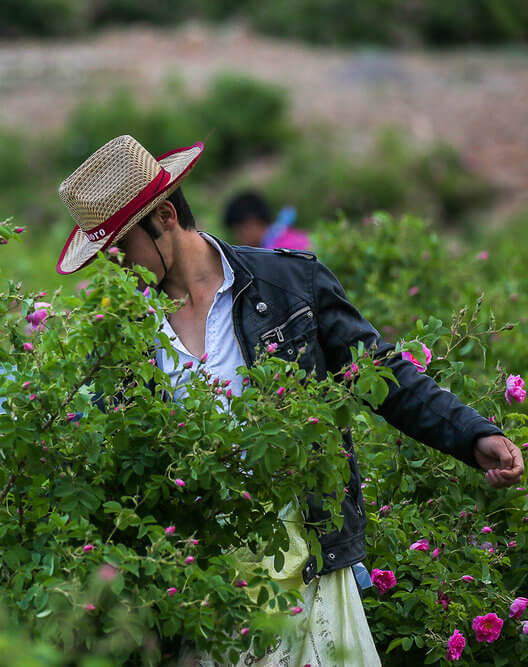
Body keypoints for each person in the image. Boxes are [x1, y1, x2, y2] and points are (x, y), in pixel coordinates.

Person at [55, 135, 523, 665]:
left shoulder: (287, 283)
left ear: (164, 216)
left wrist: (473, 434)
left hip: (309, 562)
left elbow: (382, 373)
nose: (117, 267)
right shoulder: (126, 334)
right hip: (206, 586)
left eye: (121, 249)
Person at [223, 189, 309, 250]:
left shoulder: (275, 253)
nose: (238, 240)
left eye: (239, 232)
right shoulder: (287, 235)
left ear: (252, 223)